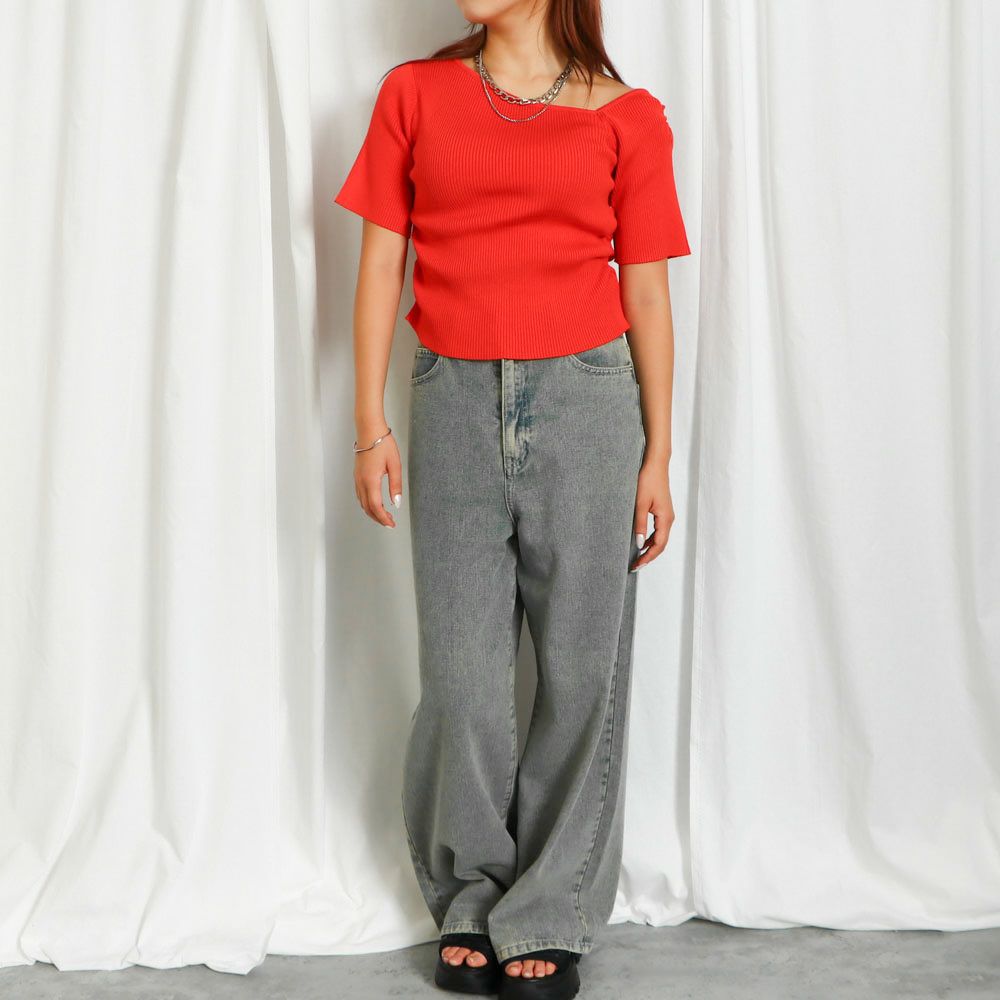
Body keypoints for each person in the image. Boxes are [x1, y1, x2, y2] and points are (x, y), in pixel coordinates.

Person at [334, 1, 690, 996]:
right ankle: (472, 891)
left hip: (588, 403)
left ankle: (550, 908)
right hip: (449, 399)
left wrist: (660, 453)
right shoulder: (414, 94)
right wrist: (368, 423)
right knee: (461, 677)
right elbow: (381, 261)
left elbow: (647, 289)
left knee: (580, 675)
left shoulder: (629, 116)